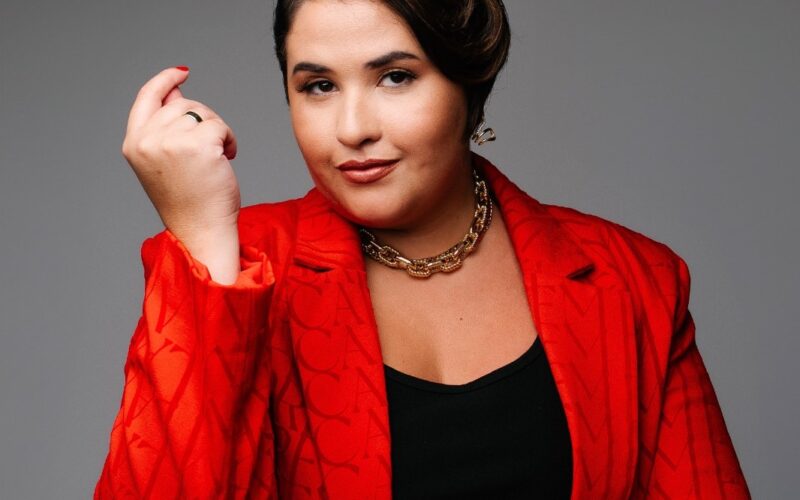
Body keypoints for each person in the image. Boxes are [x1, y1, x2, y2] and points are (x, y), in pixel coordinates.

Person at [94, 1, 751, 498]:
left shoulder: (633, 278)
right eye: (318, 86)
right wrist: (202, 238)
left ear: (470, 83)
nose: (352, 128)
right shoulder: (233, 266)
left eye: (395, 77)